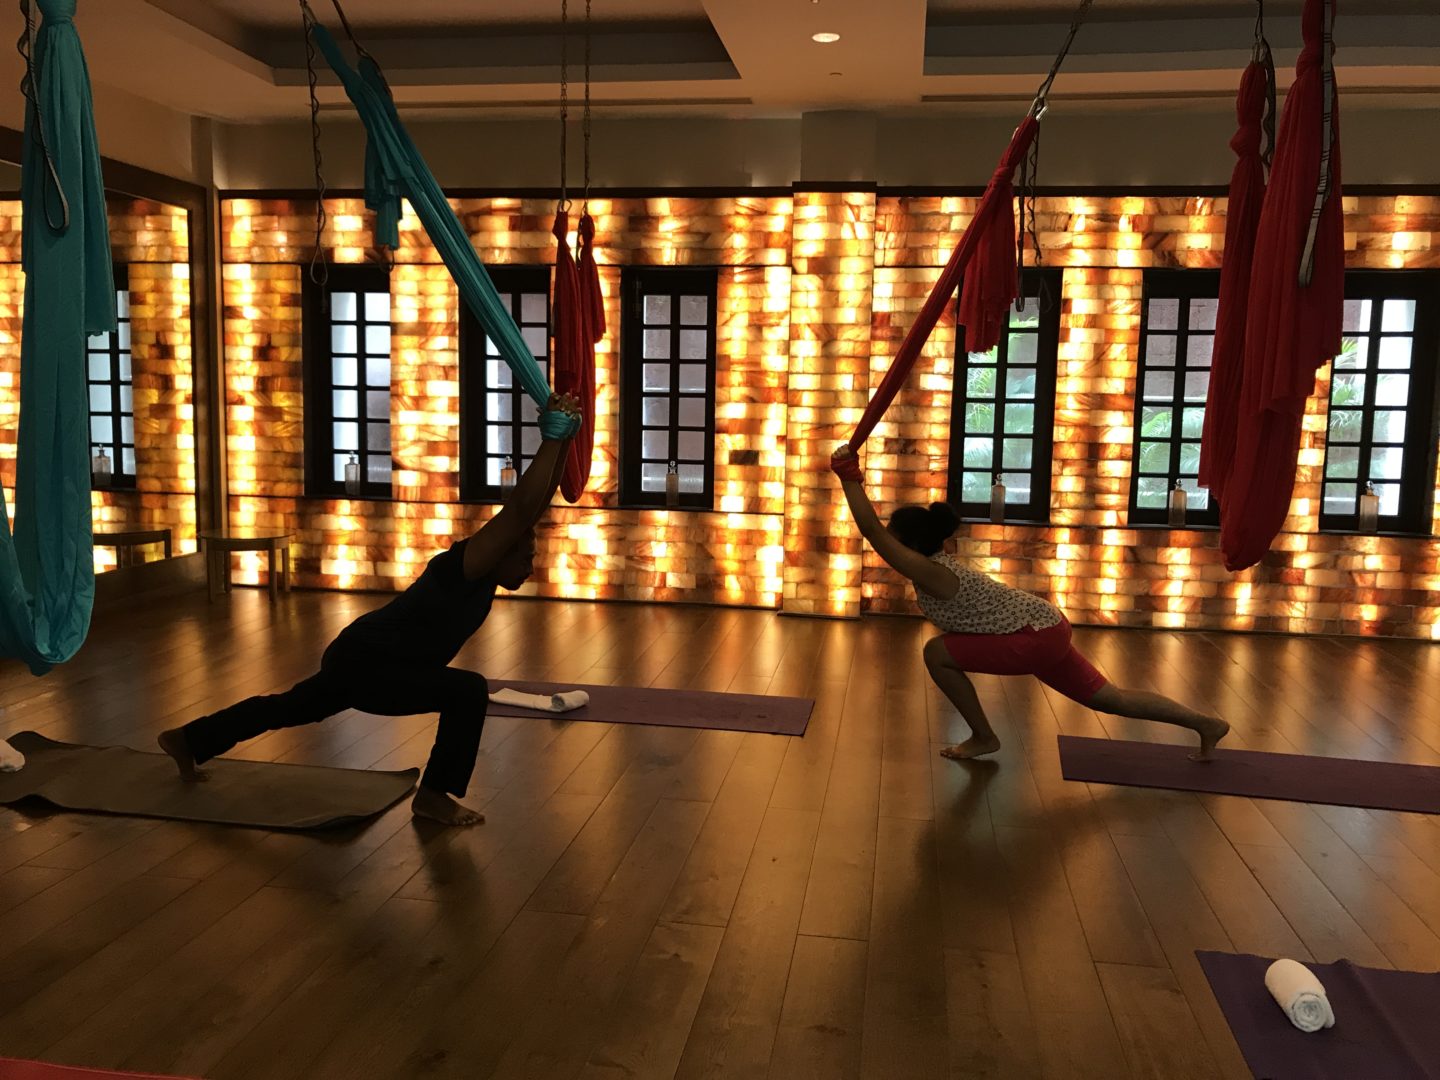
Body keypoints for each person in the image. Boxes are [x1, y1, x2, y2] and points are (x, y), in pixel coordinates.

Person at [157, 394, 583, 826]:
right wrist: (552, 437)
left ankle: (187, 739)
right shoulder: (464, 567)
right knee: (467, 691)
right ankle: (433, 797)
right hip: (367, 662)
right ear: (497, 553)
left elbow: (533, 509)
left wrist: (565, 438)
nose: (531, 568)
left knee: (285, 708)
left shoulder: (485, 574)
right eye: (525, 559)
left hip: (373, 660)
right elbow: (519, 510)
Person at [830, 445, 1229, 762]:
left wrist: (850, 476)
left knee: (937, 653)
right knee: (1111, 698)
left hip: (1034, 636)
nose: (889, 545)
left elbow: (870, 530)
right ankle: (1205, 723)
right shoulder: (936, 565)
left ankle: (984, 736)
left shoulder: (929, 571)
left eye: (894, 539)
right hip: (1046, 626)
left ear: (911, 546)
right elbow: (878, 533)